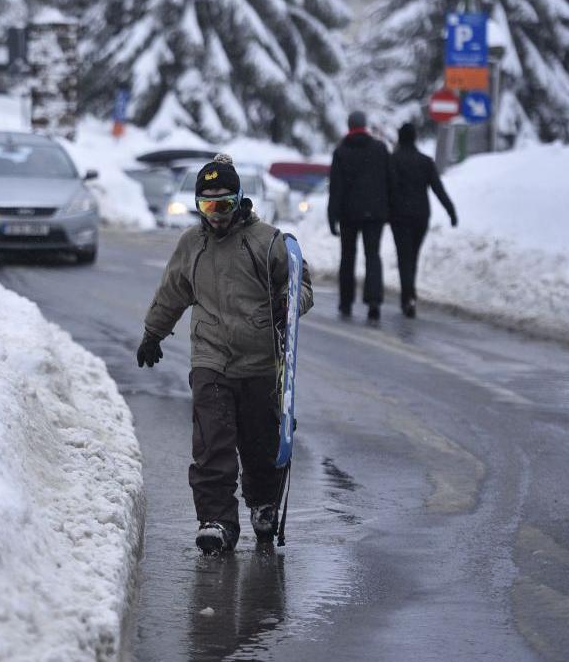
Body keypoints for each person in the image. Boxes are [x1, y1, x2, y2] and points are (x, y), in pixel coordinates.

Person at [136, 155, 314, 554]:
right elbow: (172, 292)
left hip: (260, 363)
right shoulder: (191, 244)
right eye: (207, 206)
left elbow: (303, 286)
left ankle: (264, 504)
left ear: (240, 201)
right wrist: (153, 333)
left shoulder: (267, 243)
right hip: (210, 360)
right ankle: (216, 520)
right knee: (211, 445)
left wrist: (289, 304)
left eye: (225, 205)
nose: (216, 216)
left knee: (260, 446)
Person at [328, 110, 392, 321]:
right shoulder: (380, 149)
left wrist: (332, 214)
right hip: (375, 213)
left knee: (348, 257)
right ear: (365, 125)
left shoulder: (341, 151)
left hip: (348, 214)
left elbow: (335, 187)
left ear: (349, 125)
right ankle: (374, 302)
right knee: (373, 256)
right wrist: (388, 208)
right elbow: (390, 181)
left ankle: (346, 302)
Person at [389, 122, 457, 318]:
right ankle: (409, 296)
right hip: (421, 216)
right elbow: (438, 189)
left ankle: (408, 297)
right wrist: (450, 211)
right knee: (413, 256)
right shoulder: (425, 162)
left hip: (399, 216)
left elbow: (388, 188)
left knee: (404, 257)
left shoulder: (393, 160)